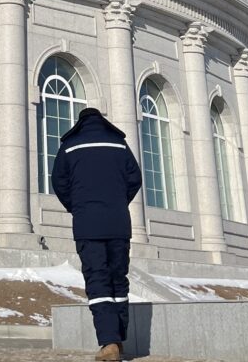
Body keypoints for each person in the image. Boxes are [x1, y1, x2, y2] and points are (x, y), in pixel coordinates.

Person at [51, 107, 142, 362]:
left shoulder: (70, 145)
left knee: (98, 281)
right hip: (118, 224)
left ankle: (109, 342)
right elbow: (135, 179)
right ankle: (118, 339)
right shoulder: (118, 143)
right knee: (118, 281)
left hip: (88, 225)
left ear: (80, 123)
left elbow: (58, 182)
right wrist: (118, 202)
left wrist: (77, 206)